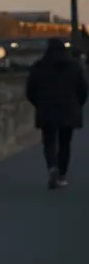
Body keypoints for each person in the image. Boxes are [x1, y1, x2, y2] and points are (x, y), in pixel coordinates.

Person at [25, 38, 88, 189]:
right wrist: (77, 104)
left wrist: (39, 103)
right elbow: (83, 90)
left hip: (47, 109)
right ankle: (62, 175)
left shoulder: (39, 66)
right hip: (69, 109)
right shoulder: (74, 66)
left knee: (49, 142)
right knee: (65, 143)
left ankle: (52, 167)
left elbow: (30, 90)